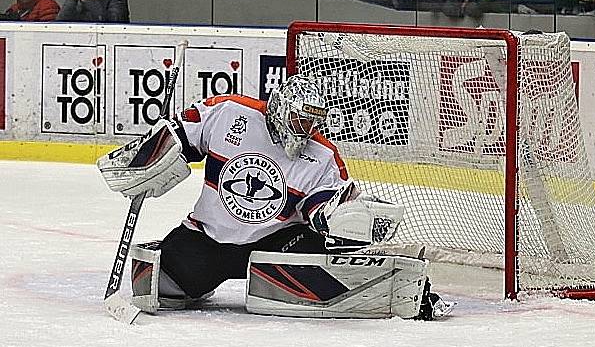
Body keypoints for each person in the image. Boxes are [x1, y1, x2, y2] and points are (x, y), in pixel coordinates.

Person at [97, 75, 452, 320]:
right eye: (301, 119)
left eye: (314, 122)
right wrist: (149, 161)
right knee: (161, 289)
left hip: (275, 246)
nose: (307, 129)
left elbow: (324, 208)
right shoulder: (230, 112)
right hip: (207, 240)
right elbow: (178, 135)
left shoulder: (322, 156)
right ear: (281, 108)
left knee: (324, 268)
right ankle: (198, 277)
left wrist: (344, 218)